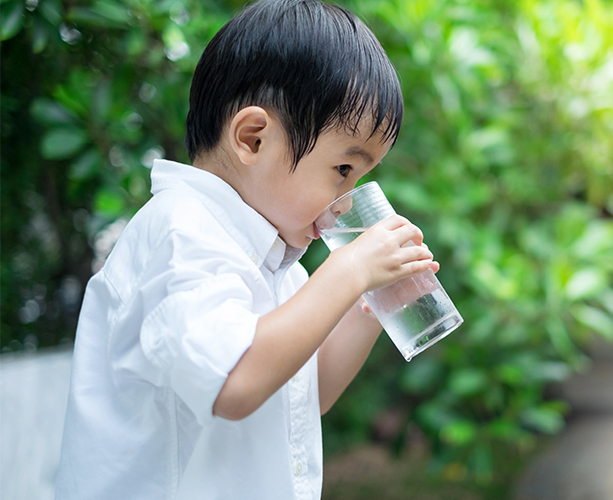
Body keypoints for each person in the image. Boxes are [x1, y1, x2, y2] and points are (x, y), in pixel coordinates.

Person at [54, 1, 436, 498]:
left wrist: (369, 305)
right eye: (344, 170)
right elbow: (235, 382)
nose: (346, 203)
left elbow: (307, 390)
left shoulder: (278, 266)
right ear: (252, 139)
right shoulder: (181, 233)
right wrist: (349, 272)